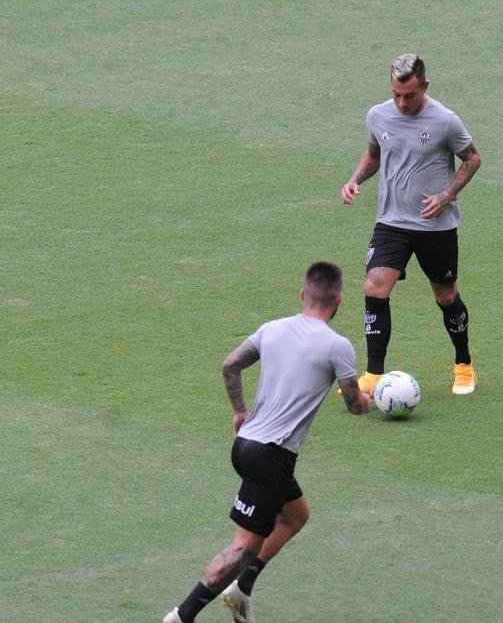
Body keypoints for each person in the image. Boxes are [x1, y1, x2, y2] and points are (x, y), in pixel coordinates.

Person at [163, 261, 371, 623]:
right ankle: (182, 616)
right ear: (339, 300)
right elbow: (354, 406)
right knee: (242, 548)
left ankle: (241, 589)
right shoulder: (337, 346)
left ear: (303, 294)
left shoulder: (272, 329)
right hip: (273, 457)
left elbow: (230, 365)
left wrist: (240, 411)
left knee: (295, 515)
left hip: (245, 447)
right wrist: (371, 399)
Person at [340, 53, 483, 396]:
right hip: (391, 221)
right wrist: (355, 179)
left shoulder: (446, 121)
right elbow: (375, 154)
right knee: (374, 287)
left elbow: (473, 159)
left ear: (425, 87)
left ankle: (463, 364)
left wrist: (446, 195)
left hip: (436, 227)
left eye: (410, 95)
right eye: (396, 95)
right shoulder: (378, 115)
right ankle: (374, 375)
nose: (402, 103)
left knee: (446, 296)